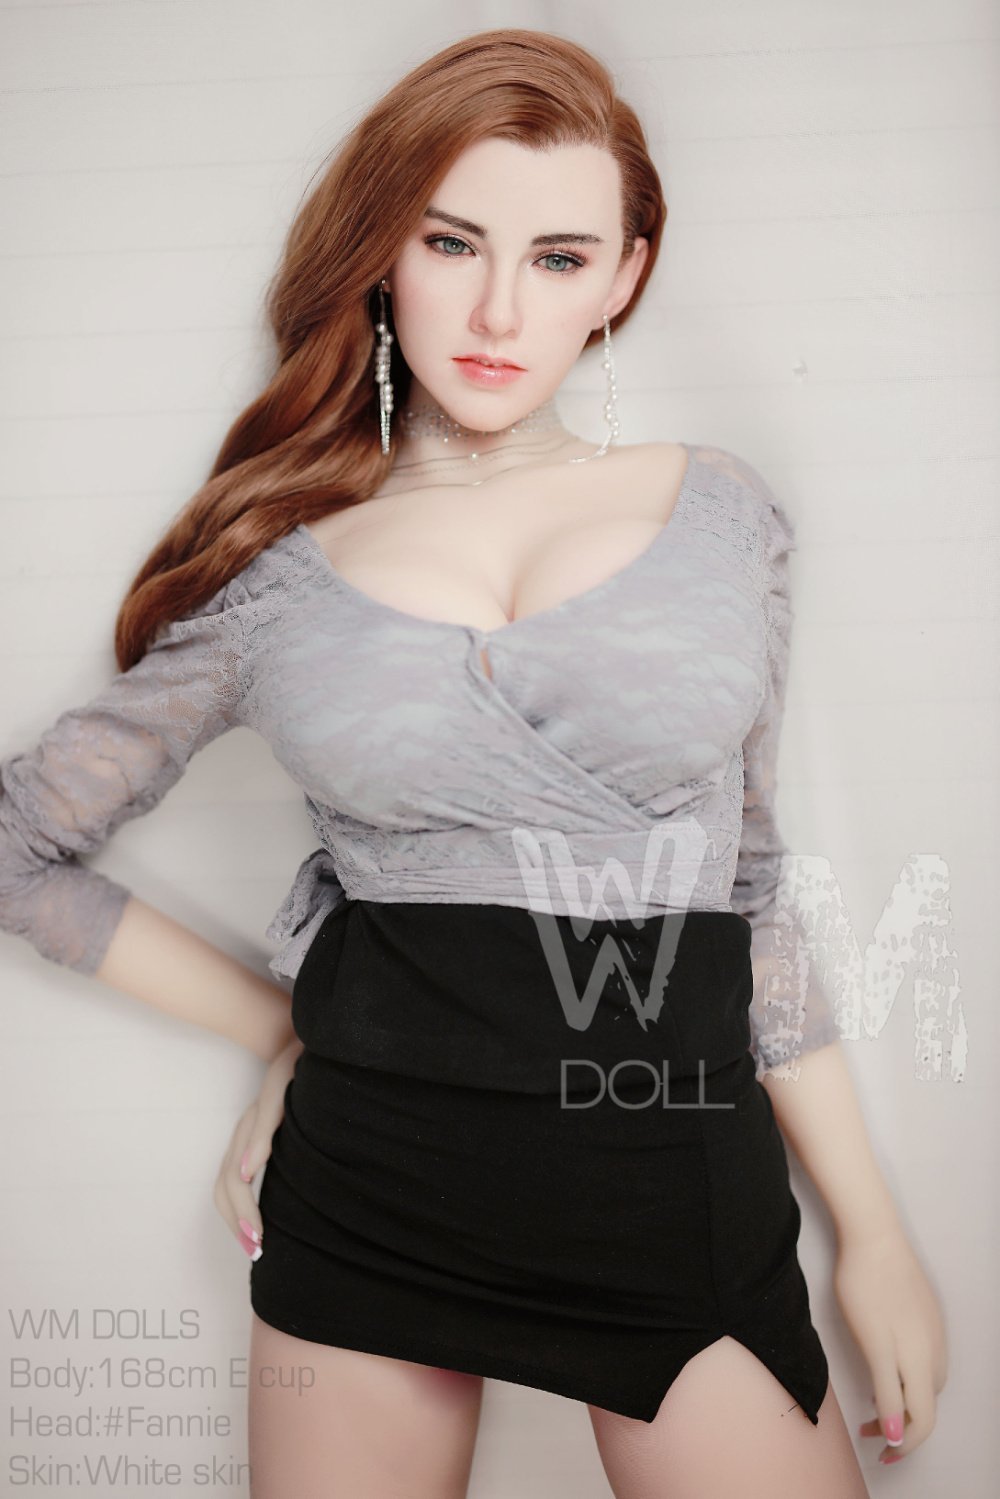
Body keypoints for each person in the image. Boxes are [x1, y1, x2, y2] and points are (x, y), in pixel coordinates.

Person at [0, 28, 947, 1499]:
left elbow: (749, 888)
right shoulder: (276, 578)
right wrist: (286, 1031)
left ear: (624, 277)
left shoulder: (719, 517)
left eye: (560, 258)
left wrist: (872, 1232)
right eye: (453, 243)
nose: (502, 309)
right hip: (369, 1196)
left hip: (676, 1194)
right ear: (386, 252)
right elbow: (19, 846)